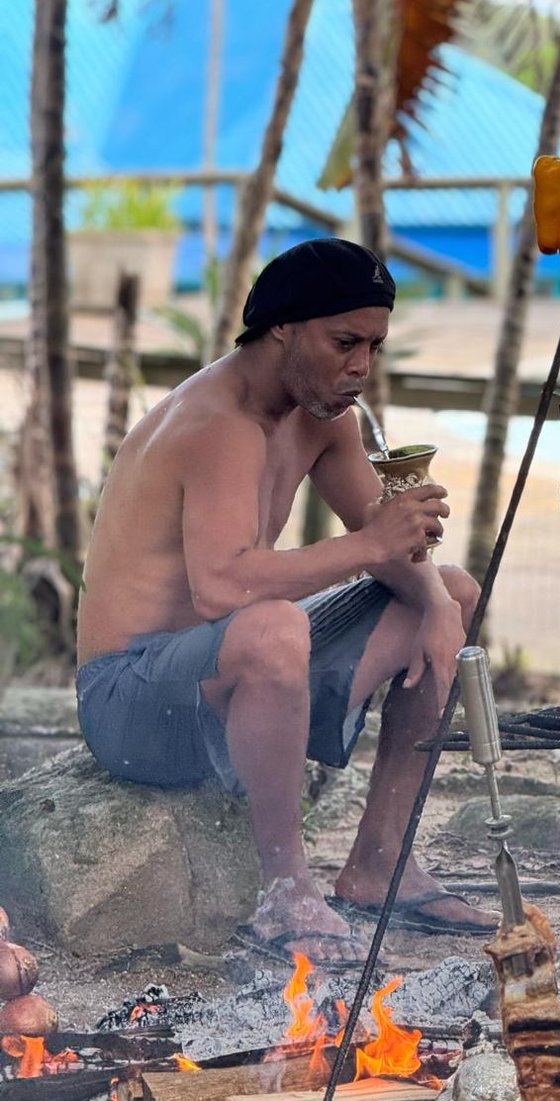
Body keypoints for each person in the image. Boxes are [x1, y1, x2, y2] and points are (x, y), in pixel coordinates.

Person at [76, 237, 496, 966]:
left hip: (222, 672)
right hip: (134, 702)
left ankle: (378, 862)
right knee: (270, 628)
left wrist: (434, 601)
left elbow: (388, 544)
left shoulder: (326, 416)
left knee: (450, 589)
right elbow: (220, 587)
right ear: (282, 327)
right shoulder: (217, 425)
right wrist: (375, 545)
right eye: (343, 342)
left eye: (373, 345)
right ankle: (285, 889)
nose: (361, 366)